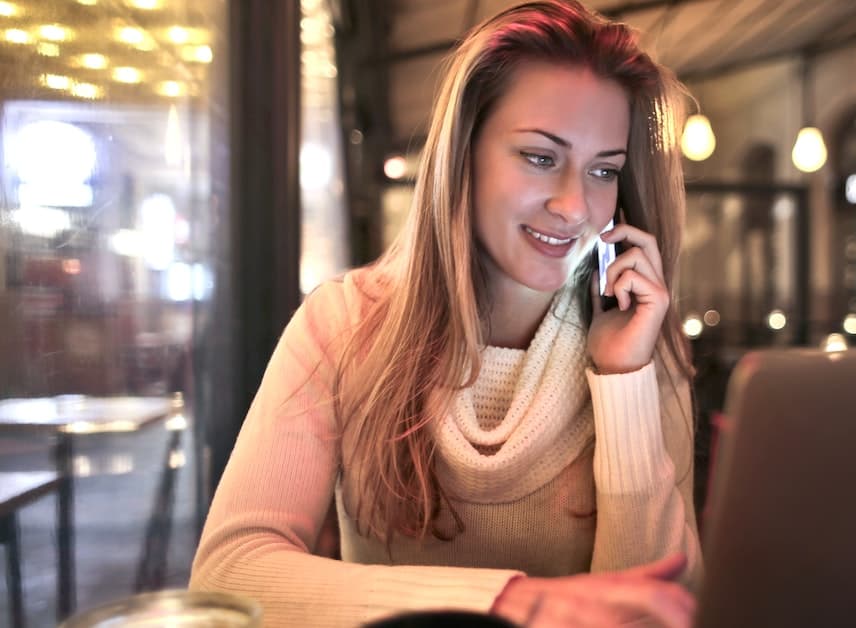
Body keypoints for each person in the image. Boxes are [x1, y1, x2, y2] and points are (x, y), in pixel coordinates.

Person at [189, 1, 702, 626]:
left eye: (603, 170)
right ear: (464, 154)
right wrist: (508, 604)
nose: (574, 206)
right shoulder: (343, 324)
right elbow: (228, 573)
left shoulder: (644, 343)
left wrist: (624, 379)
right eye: (541, 157)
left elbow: (653, 609)